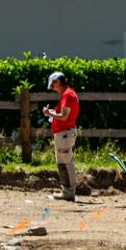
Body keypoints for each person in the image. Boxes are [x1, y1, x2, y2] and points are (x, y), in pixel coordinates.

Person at [43, 71, 81, 202]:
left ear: (58, 82)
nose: (53, 89)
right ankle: (66, 191)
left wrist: (49, 113)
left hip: (65, 133)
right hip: (63, 134)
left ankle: (69, 192)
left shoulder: (67, 95)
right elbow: (63, 114)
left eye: (53, 86)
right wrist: (52, 113)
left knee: (66, 163)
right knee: (62, 163)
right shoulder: (67, 94)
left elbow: (64, 117)